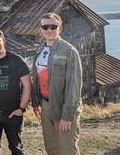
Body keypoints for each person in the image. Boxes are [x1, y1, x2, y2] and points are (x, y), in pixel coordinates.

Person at [31, 13, 83, 155]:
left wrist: (67, 115)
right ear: (41, 29)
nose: (49, 30)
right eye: (45, 27)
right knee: (52, 148)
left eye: (53, 27)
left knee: (67, 150)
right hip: (46, 105)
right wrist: (36, 103)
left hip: (64, 106)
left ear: (60, 28)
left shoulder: (69, 52)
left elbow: (74, 86)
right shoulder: (41, 49)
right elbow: (37, 78)